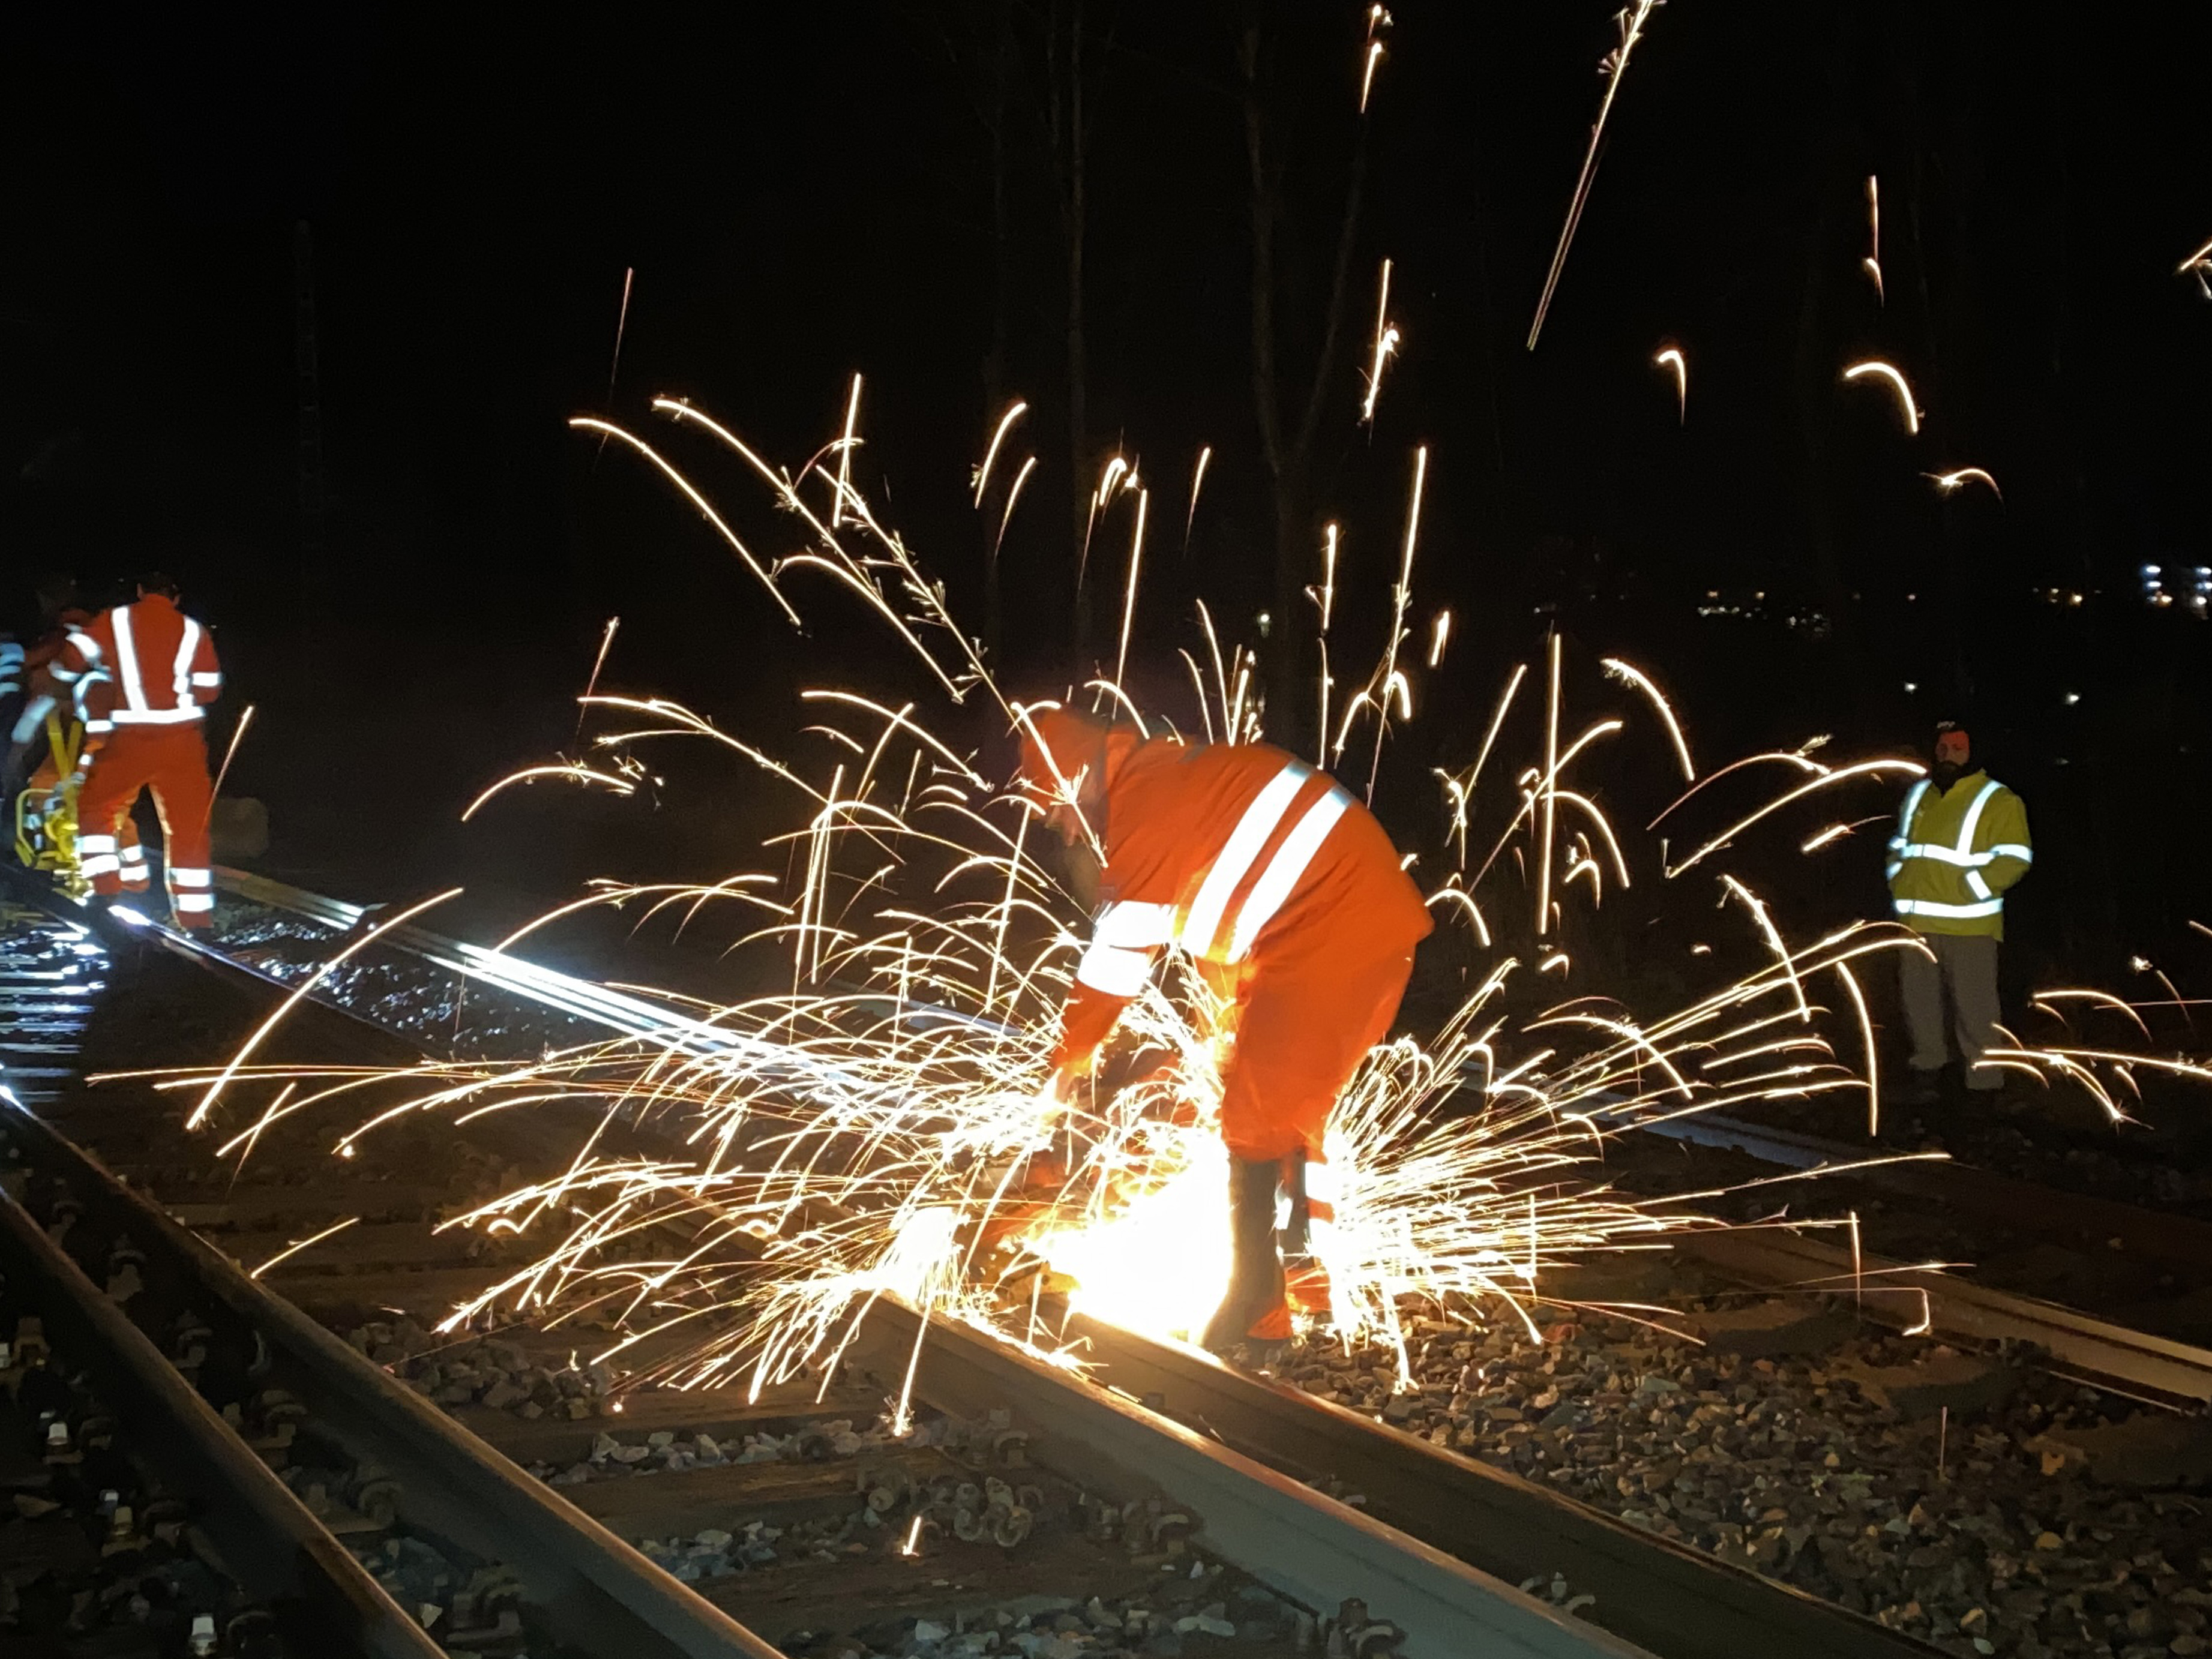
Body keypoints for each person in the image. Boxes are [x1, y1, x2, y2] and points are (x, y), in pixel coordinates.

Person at [1015, 704, 1432, 1351]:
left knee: (1257, 1114)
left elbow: (1118, 955)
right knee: (1266, 1097)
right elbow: (1223, 916)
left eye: (1054, 808)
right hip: (1316, 926)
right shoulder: (1164, 780)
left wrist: (1068, 1063)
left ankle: (1255, 1304)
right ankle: (1303, 1273)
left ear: (1076, 776)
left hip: (1337, 926)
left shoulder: (1146, 802)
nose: (1062, 830)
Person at [51, 573, 223, 928]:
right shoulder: (194, 631)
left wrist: (61, 680)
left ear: (141, 591)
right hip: (183, 743)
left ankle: (105, 891)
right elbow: (208, 691)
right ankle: (196, 920)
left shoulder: (114, 619)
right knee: (189, 829)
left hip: (130, 737)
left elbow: (72, 658)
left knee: (97, 809)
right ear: (176, 598)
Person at [1886, 722, 2032, 1105]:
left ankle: (1984, 1086)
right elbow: (1899, 844)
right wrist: (1898, 878)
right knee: (1919, 1004)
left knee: (1976, 1008)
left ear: (1974, 754)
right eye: (1942, 746)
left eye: (1958, 747)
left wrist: (1971, 889)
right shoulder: (1920, 794)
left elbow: (2015, 859)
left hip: (1970, 925)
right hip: (1916, 924)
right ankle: (1928, 1072)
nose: (1948, 753)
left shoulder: (1998, 799)